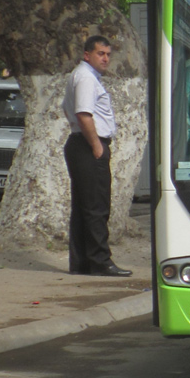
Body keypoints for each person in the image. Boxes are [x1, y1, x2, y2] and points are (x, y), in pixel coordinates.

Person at [62, 35, 131, 277]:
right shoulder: (86, 78)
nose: (105, 58)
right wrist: (96, 146)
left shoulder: (85, 77)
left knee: (84, 207)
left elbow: (67, 107)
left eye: (108, 54)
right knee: (96, 206)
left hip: (82, 143)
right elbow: (83, 114)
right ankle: (100, 261)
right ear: (87, 54)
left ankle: (83, 262)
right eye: (100, 53)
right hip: (88, 145)